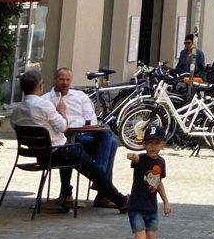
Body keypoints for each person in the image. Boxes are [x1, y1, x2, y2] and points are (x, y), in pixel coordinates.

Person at [14, 70, 128, 213]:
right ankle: (121, 200)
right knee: (89, 165)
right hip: (58, 152)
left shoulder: (17, 111)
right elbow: (63, 127)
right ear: (40, 86)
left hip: (40, 155)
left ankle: (68, 194)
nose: (65, 83)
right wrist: (61, 112)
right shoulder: (44, 104)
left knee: (98, 145)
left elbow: (16, 125)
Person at [110, 123, 171, 239]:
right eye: (149, 142)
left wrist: (165, 201)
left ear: (163, 145)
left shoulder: (161, 162)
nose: (153, 146)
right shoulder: (141, 160)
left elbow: (158, 183)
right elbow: (136, 159)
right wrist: (132, 156)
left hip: (151, 207)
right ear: (143, 144)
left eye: (157, 143)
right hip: (136, 207)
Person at [47, 67, 119, 200]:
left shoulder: (80, 96)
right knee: (112, 143)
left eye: (68, 80)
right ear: (54, 80)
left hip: (84, 135)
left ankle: (100, 179)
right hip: (65, 140)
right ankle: (102, 191)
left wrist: (84, 124)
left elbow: (91, 119)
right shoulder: (46, 100)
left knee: (106, 134)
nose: (65, 83)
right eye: (62, 79)